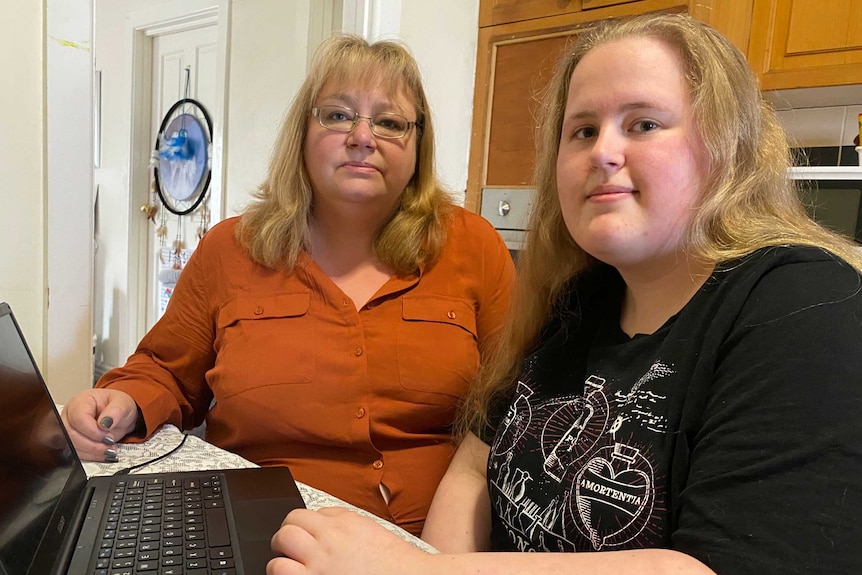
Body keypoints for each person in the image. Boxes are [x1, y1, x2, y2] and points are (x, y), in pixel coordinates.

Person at [267, 13, 862, 574]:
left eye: (643, 124)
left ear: (726, 149)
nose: (602, 151)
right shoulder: (579, 298)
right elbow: (476, 464)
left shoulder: (805, 304)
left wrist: (418, 572)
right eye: (582, 130)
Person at [60, 34, 515, 537]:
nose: (363, 137)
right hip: (262, 533)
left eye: (389, 123)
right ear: (302, 131)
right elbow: (165, 371)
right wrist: (121, 402)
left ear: (418, 145)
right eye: (338, 115)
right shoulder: (229, 249)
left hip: (424, 543)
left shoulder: (473, 246)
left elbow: (517, 398)